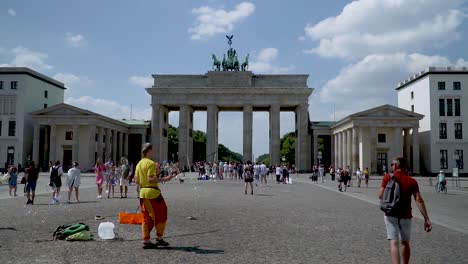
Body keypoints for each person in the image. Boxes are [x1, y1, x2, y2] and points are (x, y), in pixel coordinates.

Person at [378, 157, 431, 264]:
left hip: (390, 214)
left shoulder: (388, 177)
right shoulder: (412, 181)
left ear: (396, 165)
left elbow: (380, 195)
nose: (391, 166)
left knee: (394, 243)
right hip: (406, 215)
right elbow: (419, 200)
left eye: (392, 164)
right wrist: (426, 218)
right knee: (405, 242)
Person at [136, 143, 177, 249]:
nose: (154, 152)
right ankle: (159, 238)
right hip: (152, 193)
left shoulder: (139, 163)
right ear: (149, 150)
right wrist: (165, 179)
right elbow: (150, 179)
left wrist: (157, 172)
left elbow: (137, 180)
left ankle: (146, 240)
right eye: (153, 150)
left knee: (147, 216)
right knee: (162, 213)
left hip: (143, 193)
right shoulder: (150, 163)